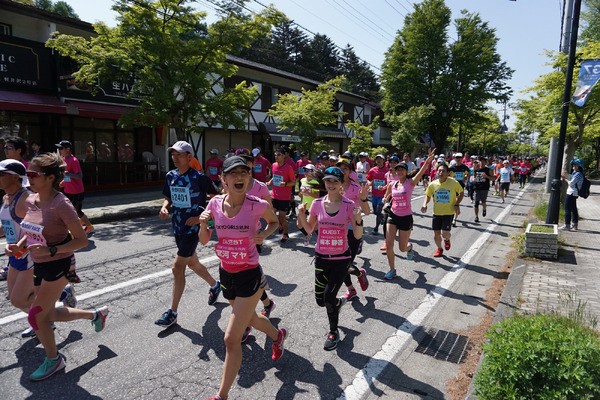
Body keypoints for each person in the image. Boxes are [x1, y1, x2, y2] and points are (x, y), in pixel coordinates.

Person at [8, 153, 108, 381]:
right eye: (28, 174)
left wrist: (51, 250)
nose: (29, 178)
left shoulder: (61, 204)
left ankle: (54, 360)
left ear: (51, 177)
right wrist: (20, 246)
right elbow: (30, 229)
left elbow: (82, 240)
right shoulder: (32, 200)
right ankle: (95, 315)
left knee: (37, 316)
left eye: (34, 174)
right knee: (49, 313)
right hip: (39, 263)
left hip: (59, 263)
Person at [200, 156, 288, 400]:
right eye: (233, 173)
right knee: (250, 318)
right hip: (226, 272)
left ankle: (222, 396)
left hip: (249, 273)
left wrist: (263, 234)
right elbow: (204, 240)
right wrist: (202, 225)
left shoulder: (257, 204)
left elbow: (275, 222)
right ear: (223, 179)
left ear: (249, 178)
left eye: (244, 173)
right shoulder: (215, 204)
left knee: (231, 339)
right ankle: (277, 335)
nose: (239, 177)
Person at [0, 159, 77, 338]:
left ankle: (44, 320)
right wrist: (12, 244)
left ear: (16, 178)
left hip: (31, 256)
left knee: (19, 299)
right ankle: (49, 309)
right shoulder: (6, 197)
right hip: (16, 255)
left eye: (2, 174)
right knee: (14, 299)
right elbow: (7, 226)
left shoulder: (27, 199)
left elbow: (36, 227)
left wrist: (25, 246)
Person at [297, 166, 363, 351]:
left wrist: (358, 219)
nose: (331, 184)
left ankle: (333, 332)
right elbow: (309, 230)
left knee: (328, 296)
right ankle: (340, 302)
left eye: (335, 181)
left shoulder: (349, 205)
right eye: (328, 180)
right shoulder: (317, 203)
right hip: (321, 258)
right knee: (321, 301)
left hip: (341, 258)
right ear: (324, 182)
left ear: (342, 183)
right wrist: (301, 214)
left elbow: (357, 235)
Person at [156, 141, 220, 328]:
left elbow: (216, 199)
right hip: (177, 226)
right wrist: (164, 208)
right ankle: (215, 285)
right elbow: (168, 197)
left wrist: (201, 217)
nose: (175, 158)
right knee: (192, 263)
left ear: (189, 157)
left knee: (177, 267)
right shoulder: (170, 176)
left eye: (179, 154)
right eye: (173, 154)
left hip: (193, 228)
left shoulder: (200, 177)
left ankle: (172, 312)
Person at [383, 150, 435, 278]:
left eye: (402, 170)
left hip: (406, 218)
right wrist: (385, 199)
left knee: (402, 248)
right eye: (397, 170)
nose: (399, 172)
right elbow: (389, 195)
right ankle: (392, 270)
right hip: (393, 215)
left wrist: (427, 162)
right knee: (389, 244)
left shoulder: (410, 182)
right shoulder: (393, 184)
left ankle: (409, 247)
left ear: (406, 172)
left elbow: (421, 172)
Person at [337, 157, 370, 301]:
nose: (342, 171)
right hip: (337, 229)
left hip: (353, 229)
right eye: (340, 168)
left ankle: (360, 275)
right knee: (339, 264)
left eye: (345, 168)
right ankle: (351, 289)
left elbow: (367, 212)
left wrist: (363, 199)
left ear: (351, 171)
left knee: (344, 264)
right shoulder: (334, 186)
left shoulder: (356, 188)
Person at [421, 163, 464, 257]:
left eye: (443, 171)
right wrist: (424, 204)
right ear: (436, 172)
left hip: (448, 212)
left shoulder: (453, 183)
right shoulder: (433, 184)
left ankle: (447, 240)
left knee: (445, 234)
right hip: (436, 213)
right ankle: (439, 249)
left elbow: (461, 193)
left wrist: (457, 203)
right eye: (439, 171)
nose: (441, 172)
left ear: (448, 173)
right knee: (436, 234)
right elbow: (428, 196)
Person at [56, 140, 94, 234]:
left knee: (77, 211)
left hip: (77, 191)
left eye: (61, 148)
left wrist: (68, 174)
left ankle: (89, 226)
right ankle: (78, 224)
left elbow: (79, 176)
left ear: (68, 149)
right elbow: (67, 175)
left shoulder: (74, 160)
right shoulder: (64, 160)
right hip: (68, 190)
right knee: (68, 210)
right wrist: (64, 181)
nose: (59, 150)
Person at [267, 149, 296, 243]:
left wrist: (286, 184)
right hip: (274, 195)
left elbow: (293, 182)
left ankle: (286, 233)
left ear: (283, 156)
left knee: (282, 218)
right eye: (275, 155)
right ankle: (275, 227)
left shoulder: (288, 168)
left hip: (284, 197)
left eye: (278, 154)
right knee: (271, 215)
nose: (276, 156)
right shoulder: (274, 165)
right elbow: (274, 176)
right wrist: (270, 182)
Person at [366, 154, 388, 235]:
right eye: (377, 159)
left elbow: (391, 180)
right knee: (375, 212)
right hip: (374, 194)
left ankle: (376, 228)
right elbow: (368, 179)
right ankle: (382, 218)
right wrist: (369, 183)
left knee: (378, 211)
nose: (378, 161)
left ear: (383, 160)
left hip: (383, 194)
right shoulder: (373, 170)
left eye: (380, 159)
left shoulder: (387, 170)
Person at [560, 159, 584, 231]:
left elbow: (571, 183)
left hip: (572, 192)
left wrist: (565, 179)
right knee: (573, 209)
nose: (573, 166)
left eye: (575, 164)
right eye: (573, 164)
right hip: (573, 192)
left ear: (579, 166)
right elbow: (571, 179)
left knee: (567, 208)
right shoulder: (576, 173)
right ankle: (574, 225)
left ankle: (567, 225)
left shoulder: (578, 174)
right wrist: (566, 175)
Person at [449, 153, 470, 227]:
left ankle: (454, 219)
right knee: (454, 203)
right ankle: (456, 213)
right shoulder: (451, 167)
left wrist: (465, 177)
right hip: (452, 187)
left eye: (459, 158)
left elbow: (468, 173)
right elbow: (447, 176)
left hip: (461, 187)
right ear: (454, 158)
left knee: (456, 203)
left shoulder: (464, 167)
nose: (458, 159)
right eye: (456, 158)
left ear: (462, 158)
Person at [472, 158, 495, 223]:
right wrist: (473, 179)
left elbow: (493, 178)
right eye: (480, 162)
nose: (482, 163)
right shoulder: (476, 170)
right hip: (477, 187)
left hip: (485, 188)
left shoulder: (488, 170)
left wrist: (486, 176)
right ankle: (476, 217)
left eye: (483, 162)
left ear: (485, 163)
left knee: (483, 202)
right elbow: (474, 177)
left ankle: (484, 209)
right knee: (476, 203)